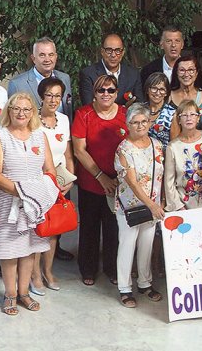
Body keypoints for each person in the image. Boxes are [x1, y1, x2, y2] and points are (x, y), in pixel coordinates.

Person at [0, 92, 57, 316]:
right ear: (9, 110)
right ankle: (9, 294)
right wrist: (22, 191)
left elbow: (49, 169)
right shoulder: (0, 136)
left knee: (29, 248)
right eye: (16, 108)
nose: (21, 113)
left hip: (35, 202)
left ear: (33, 113)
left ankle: (24, 292)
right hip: (8, 200)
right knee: (10, 249)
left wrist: (41, 193)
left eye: (27, 109)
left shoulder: (40, 135)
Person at [72, 74, 127, 286]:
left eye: (111, 90)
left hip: (118, 183)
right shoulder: (83, 114)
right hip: (90, 181)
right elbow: (79, 151)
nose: (106, 94)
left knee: (114, 227)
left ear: (116, 92)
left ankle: (113, 268)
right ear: (94, 93)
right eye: (101, 90)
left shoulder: (124, 113)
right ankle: (88, 268)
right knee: (89, 227)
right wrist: (100, 177)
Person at [113, 103, 166, 307]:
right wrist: (151, 204)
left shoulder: (157, 145)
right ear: (128, 125)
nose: (140, 125)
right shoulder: (124, 149)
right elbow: (133, 182)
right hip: (130, 206)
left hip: (153, 205)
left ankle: (145, 283)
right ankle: (125, 289)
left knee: (147, 245)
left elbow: (160, 174)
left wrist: (158, 202)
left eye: (143, 121)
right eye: (135, 122)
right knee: (127, 246)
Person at [31, 77, 75, 293]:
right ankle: (35, 274)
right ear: (41, 96)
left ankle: (48, 270)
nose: (53, 99)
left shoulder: (64, 120)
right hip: (39, 182)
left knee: (54, 229)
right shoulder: (32, 121)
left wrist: (69, 180)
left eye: (57, 95)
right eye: (49, 95)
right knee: (40, 228)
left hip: (59, 183)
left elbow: (68, 154)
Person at [163, 100, 202, 211]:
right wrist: (179, 207)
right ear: (179, 120)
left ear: (198, 118)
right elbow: (169, 182)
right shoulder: (172, 147)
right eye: (184, 115)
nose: (188, 118)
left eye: (192, 114)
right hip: (184, 206)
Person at [7, 37, 73, 117]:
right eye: (42, 55)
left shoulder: (64, 78)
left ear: (56, 57)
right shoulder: (17, 84)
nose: (47, 59)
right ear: (33, 58)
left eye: (51, 55)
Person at [79, 33, 143, 106]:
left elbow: (139, 106)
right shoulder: (88, 74)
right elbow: (88, 106)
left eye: (118, 50)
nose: (113, 55)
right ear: (102, 52)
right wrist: (124, 107)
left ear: (123, 52)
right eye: (109, 50)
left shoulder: (133, 74)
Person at [168, 55, 202, 135]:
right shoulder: (168, 96)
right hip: (173, 145)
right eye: (182, 70)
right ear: (176, 72)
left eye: (191, 70)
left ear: (196, 73)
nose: (186, 74)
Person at [142, 72, 176, 146]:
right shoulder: (139, 110)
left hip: (163, 155)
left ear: (166, 92)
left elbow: (174, 145)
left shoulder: (172, 114)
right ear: (147, 90)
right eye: (154, 88)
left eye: (162, 89)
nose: (158, 93)